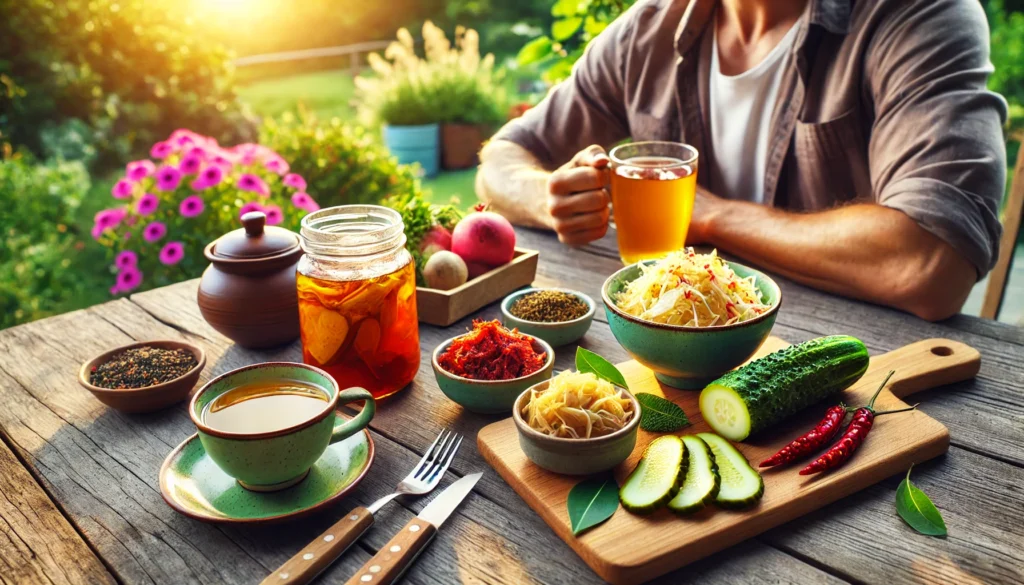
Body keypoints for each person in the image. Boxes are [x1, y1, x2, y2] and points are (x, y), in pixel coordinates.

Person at [476, 0, 1008, 321]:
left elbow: (931, 262)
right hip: (662, 356)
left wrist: (707, 215)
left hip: (858, 383)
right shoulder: (649, 28)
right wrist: (547, 198)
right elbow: (500, 159)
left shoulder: (921, 17)